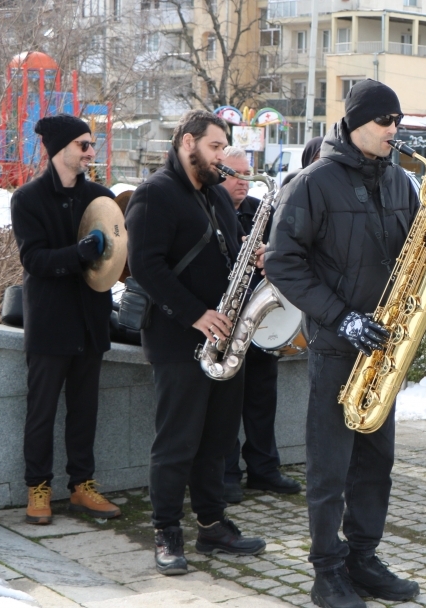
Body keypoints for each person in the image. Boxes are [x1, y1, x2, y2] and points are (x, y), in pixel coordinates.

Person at [265, 79, 421, 608]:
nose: (393, 131)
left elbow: (412, 259)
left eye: (397, 121)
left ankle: (363, 557)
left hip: (385, 346)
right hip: (337, 344)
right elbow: (282, 261)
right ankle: (326, 570)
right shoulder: (312, 182)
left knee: (376, 461)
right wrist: (340, 317)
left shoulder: (402, 182)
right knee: (331, 464)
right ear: (355, 124)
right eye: (385, 121)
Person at [127, 110, 266, 575]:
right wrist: (195, 315)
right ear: (187, 142)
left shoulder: (215, 195)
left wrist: (255, 253)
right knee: (177, 441)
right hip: (177, 337)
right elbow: (145, 265)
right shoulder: (154, 193)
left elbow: (228, 249)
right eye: (214, 146)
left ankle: (212, 524)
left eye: (223, 147)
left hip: (226, 335)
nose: (221, 156)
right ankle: (166, 530)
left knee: (219, 438)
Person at [10, 115, 123, 525]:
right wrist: (81, 252)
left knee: (85, 409)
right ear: (60, 149)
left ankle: (82, 486)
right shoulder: (27, 199)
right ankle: (37, 489)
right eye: (83, 145)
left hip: (91, 319)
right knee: (40, 411)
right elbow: (34, 260)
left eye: (92, 144)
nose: (91, 152)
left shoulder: (100, 195)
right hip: (51, 322)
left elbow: (116, 255)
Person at [218, 146, 302, 504]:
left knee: (262, 396)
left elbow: (285, 253)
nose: (244, 182)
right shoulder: (211, 209)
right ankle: (226, 473)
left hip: (260, 316)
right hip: (225, 315)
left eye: (247, 174)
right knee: (226, 401)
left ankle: (264, 468)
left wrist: (269, 254)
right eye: (236, 175)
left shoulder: (258, 210)